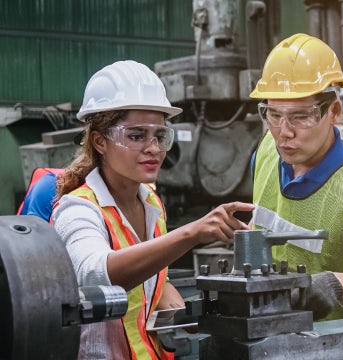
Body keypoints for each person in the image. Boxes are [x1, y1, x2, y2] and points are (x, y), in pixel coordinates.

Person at [51, 60, 254, 359]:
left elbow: (153, 277)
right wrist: (192, 233)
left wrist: (178, 302)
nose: (154, 148)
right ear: (99, 141)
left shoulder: (150, 202)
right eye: (136, 136)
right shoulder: (77, 210)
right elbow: (97, 276)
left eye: (159, 136)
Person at [249, 33, 343, 321]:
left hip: (339, 343)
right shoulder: (266, 154)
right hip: (268, 332)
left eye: (300, 116)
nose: (284, 132)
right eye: (273, 115)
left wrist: (336, 283)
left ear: (333, 111)